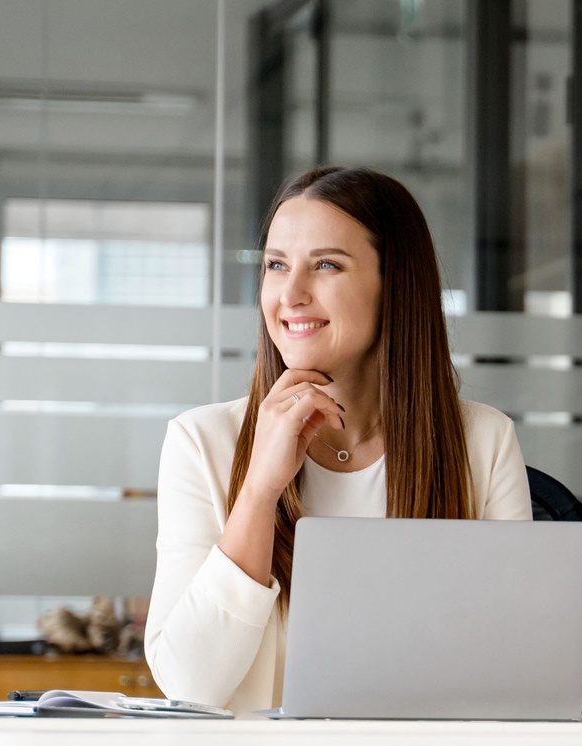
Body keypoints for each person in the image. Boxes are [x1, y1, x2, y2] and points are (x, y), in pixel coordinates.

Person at [144, 166, 531, 713]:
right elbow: (190, 686)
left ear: (394, 285)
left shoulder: (483, 441)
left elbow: (515, 665)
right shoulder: (201, 442)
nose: (291, 294)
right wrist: (258, 488)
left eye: (326, 264)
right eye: (277, 265)